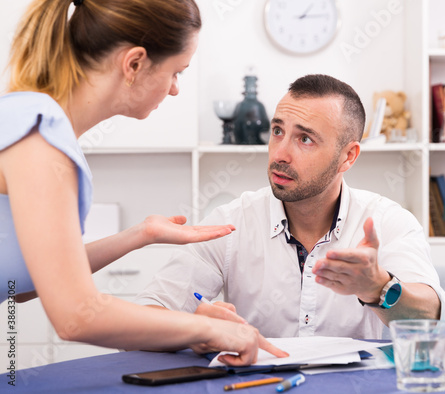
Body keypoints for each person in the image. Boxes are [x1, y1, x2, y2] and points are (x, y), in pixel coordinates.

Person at [0, 0, 287, 365]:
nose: (174, 90)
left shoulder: (28, 117)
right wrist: (208, 329)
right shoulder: (41, 140)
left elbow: (28, 281)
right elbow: (75, 315)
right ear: (134, 64)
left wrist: (141, 235)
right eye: (176, 72)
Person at [136, 74, 445, 339]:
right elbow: (147, 315)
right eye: (277, 131)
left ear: (348, 156)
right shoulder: (233, 222)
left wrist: (379, 288)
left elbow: (433, 318)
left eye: (305, 139)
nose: (280, 154)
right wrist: (197, 328)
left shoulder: (386, 222)